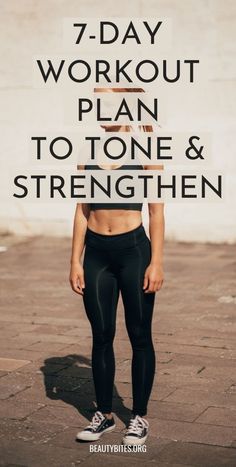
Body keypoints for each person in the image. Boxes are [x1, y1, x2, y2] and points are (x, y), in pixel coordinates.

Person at [69, 87, 164, 446]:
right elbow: (82, 210)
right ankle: (104, 415)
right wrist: (74, 260)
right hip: (96, 253)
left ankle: (138, 418)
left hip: (133, 252)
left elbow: (156, 212)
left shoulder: (147, 151)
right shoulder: (87, 150)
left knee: (139, 336)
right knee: (101, 335)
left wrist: (157, 261)